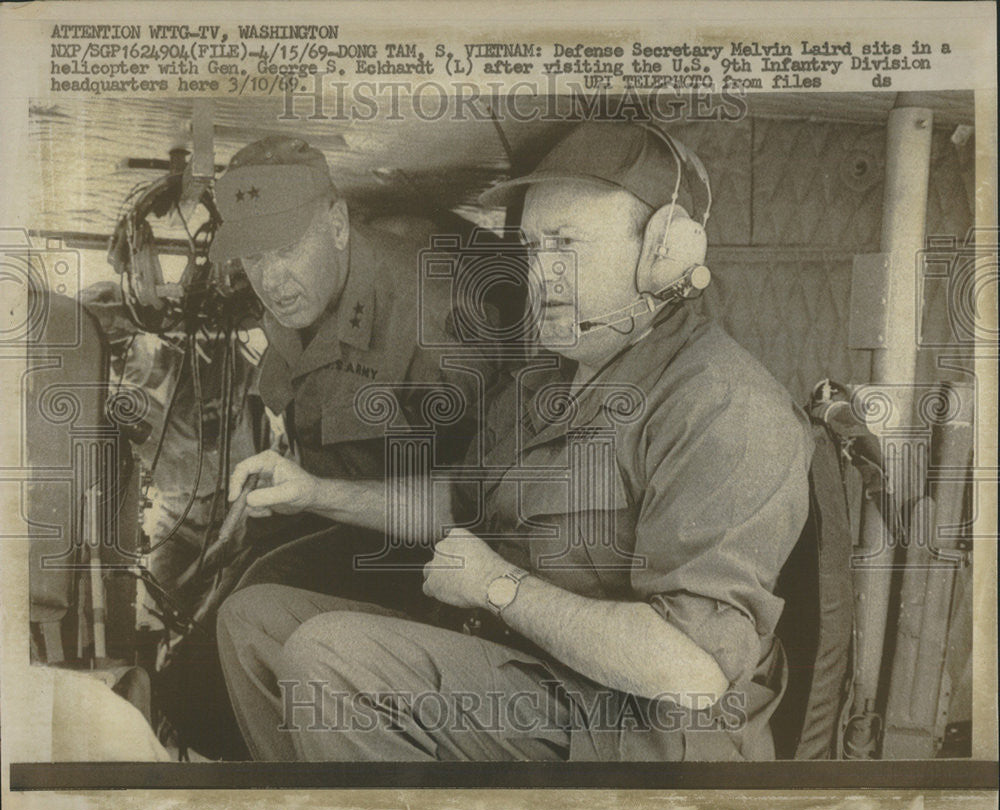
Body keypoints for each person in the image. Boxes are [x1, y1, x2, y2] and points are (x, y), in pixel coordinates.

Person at [216, 122, 814, 761]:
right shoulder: (553, 373)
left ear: (662, 254)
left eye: (566, 244)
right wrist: (316, 492)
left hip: (631, 727)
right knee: (253, 624)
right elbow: (461, 503)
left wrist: (499, 587)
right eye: (531, 246)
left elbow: (690, 674)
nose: (541, 272)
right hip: (525, 663)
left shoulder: (725, 407)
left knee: (328, 658)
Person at [205, 135, 476, 601]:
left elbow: (485, 502)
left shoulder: (435, 318)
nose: (270, 282)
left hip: (434, 555)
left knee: (253, 604)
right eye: (253, 256)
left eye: (287, 248)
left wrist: (320, 494)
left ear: (336, 225)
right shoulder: (298, 299)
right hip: (331, 517)